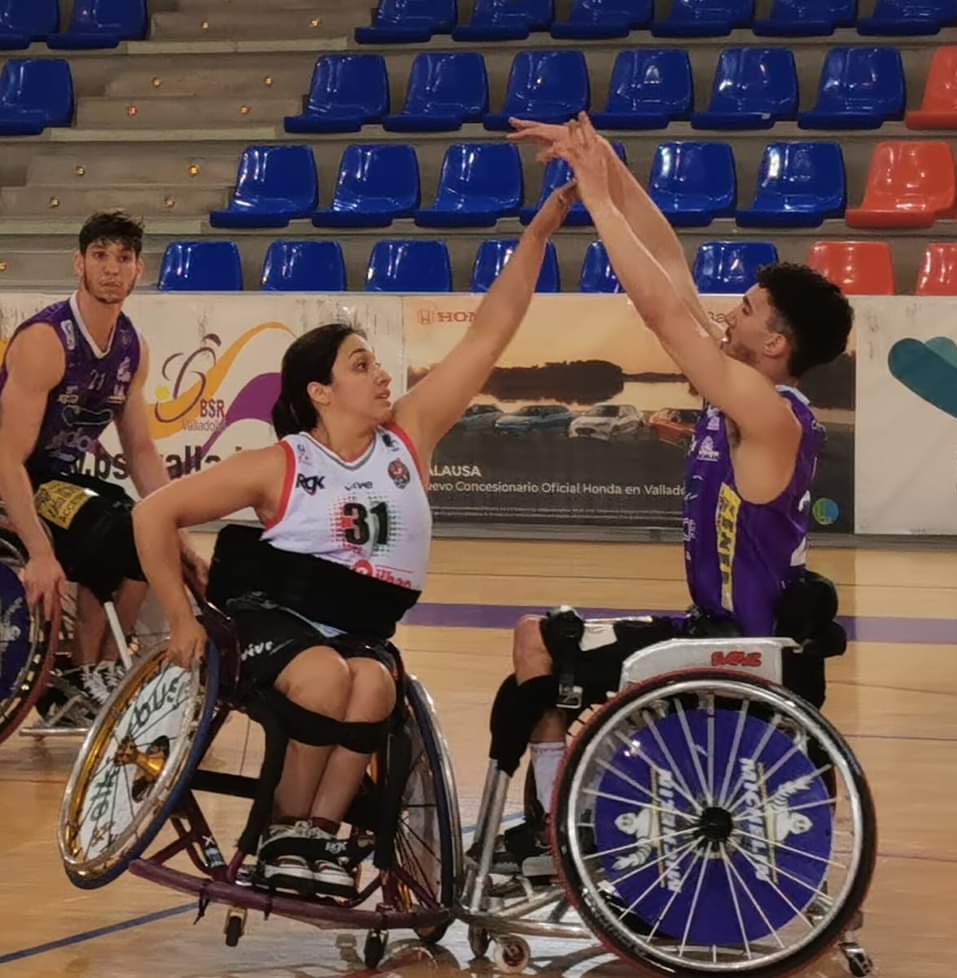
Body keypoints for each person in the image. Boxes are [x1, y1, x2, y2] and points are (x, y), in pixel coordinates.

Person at [131, 184, 577, 900]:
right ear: (321, 391)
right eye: (362, 365)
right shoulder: (281, 462)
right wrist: (180, 619)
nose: (381, 375)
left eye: (377, 362)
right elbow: (151, 514)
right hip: (280, 620)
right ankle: (285, 828)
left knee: (371, 685)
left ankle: (322, 837)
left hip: (361, 629)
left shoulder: (409, 434)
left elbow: (489, 332)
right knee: (324, 679)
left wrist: (539, 234)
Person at [489, 114, 854, 869]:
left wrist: (591, 193)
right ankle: (558, 822)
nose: (728, 312)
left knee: (537, 642)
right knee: (540, 639)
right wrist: (607, 161)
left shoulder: (769, 411)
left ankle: (556, 832)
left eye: (746, 309)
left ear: (776, 344)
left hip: (733, 649)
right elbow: (669, 262)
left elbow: (661, 310)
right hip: (713, 628)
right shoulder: (744, 393)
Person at [0, 211, 206, 718]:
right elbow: (6, 455)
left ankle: (102, 671)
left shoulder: (131, 349)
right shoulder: (46, 340)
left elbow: (140, 452)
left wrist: (181, 539)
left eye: (123, 258)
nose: (112, 268)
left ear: (139, 271)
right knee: (111, 536)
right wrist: (39, 552)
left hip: (51, 477)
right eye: (100, 256)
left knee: (146, 527)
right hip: (14, 473)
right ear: (79, 264)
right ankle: (87, 675)